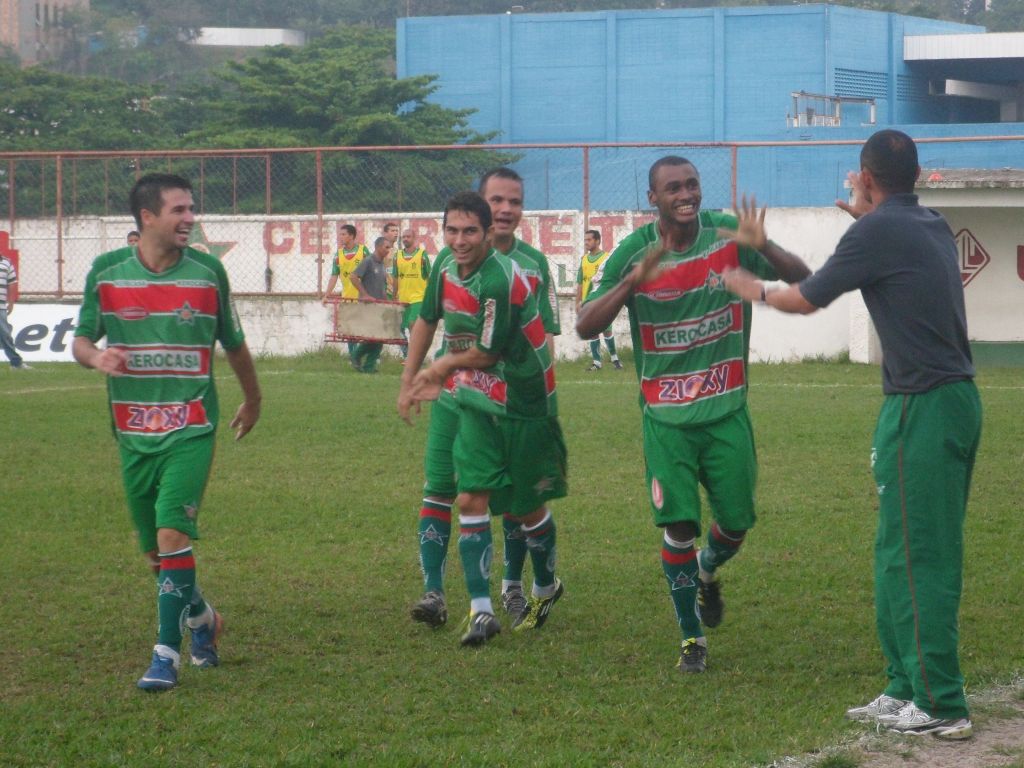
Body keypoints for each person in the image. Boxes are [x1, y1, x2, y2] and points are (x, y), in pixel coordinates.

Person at [722, 130, 980, 739]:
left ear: (866, 177)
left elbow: (804, 299)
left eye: (854, 177)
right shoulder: (929, 222)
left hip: (924, 405)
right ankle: (904, 686)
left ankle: (942, 701)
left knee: (921, 557)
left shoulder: (875, 232)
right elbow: (888, 246)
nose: (848, 185)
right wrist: (867, 215)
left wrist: (749, 286)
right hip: (936, 401)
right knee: (896, 549)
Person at [576, 156, 810, 674]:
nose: (686, 194)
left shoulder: (728, 234)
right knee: (680, 526)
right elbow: (585, 326)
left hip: (726, 411)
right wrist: (630, 284)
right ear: (652, 198)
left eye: (692, 185)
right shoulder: (633, 252)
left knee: (734, 526)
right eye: (673, 188)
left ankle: (708, 569)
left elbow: (804, 279)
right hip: (665, 419)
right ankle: (691, 638)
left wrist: (763, 245)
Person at [72, 173, 262, 692]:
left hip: (192, 427)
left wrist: (253, 397)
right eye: (179, 210)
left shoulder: (207, 273)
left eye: (191, 208)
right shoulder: (107, 273)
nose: (190, 218)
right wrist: (96, 357)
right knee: (157, 556)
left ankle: (165, 654)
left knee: (172, 535)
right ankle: (203, 619)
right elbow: (81, 339)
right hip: (132, 432)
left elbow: (235, 344)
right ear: (147, 218)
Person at [401, 191, 566, 646]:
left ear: (489, 232)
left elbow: (488, 352)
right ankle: (481, 611)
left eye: (470, 230)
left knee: (523, 505)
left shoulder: (498, 278)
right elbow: (428, 319)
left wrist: (439, 368)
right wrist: (410, 379)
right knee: (469, 497)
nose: (459, 240)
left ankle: (547, 585)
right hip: (474, 393)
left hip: (522, 399)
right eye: (451, 230)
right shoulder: (443, 266)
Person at [576, 229, 622, 371]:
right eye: (585, 240)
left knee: (607, 330)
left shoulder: (606, 258)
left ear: (597, 241)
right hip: (587, 302)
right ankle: (597, 363)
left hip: (603, 301)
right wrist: (578, 301)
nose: (586, 243)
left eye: (589, 240)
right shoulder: (584, 260)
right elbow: (580, 283)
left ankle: (615, 359)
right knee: (592, 331)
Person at [348, 236, 391, 373]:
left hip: (379, 306)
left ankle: (368, 366)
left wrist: (387, 302)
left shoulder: (381, 264)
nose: (388, 250)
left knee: (379, 338)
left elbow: (381, 286)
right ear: (378, 247)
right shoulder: (368, 261)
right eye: (386, 247)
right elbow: (353, 277)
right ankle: (357, 356)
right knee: (375, 337)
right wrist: (365, 294)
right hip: (368, 306)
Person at [391, 229, 431, 359]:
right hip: (403, 298)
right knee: (400, 328)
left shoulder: (422, 255)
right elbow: (395, 277)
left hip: (418, 297)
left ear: (414, 238)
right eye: (404, 237)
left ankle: (416, 357)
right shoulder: (397, 256)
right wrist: (394, 295)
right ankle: (408, 355)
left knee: (413, 325)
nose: (406, 239)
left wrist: (430, 295)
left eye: (408, 236)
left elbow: (429, 276)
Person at [0, 250, 28, 370]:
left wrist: (10, 303)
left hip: (0, 306)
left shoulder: (6, 262)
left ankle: (16, 362)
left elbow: (11, 283)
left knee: (5, 335)